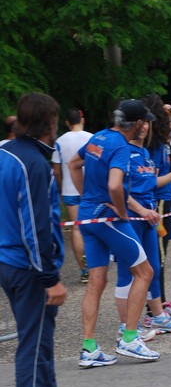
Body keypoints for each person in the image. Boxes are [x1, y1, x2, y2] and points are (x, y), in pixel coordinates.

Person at [0, 93, 76, 387]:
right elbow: (35, 225)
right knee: (32, 343)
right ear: (49, 124)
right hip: (27, 266)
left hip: (10, 261)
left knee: (42, 337)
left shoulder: (6, 154)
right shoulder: (33, 164)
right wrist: (50, 278)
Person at [69, 99, 160, 366]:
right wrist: (121, 211)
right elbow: (114, 185)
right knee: (145, 272)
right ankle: (129, 338)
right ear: (138, 124)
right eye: (144, 121)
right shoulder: (121, 146)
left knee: (97, 281)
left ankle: (89, 349)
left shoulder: (99, 136)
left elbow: (74, 163)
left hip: (87, 217)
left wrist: (87, 195)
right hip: (107, 217)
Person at [114, 116, 171, 337]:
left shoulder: (145, 154)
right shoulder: (123, 152)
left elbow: (150, 184)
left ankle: (157, 317)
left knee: (153, 268)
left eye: (147, 123)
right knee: (128, 273)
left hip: (149, 218)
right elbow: (117, 188)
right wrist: (141, 210)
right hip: (131, 219)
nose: (144, 127)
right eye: (140, 122)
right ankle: (126, 326)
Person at [141, 94, 171, 322]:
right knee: (156, 259)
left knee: (161, 257)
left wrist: (170, 111)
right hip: (157, 203)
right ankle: (154, 311)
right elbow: (152, 180)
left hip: (164, 200)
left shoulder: (161, 140)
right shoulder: (149, 145)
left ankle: (160, 303)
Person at [52, 108, 92, 283]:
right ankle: (97, 264)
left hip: (69, 190)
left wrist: (61, 190)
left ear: (67, 122)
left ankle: (84, 270)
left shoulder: (59, 141)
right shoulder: (92, 137)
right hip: (90, 190)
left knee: (77, 228)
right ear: (82, 118)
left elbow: (56, 171)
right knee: (95, 227)